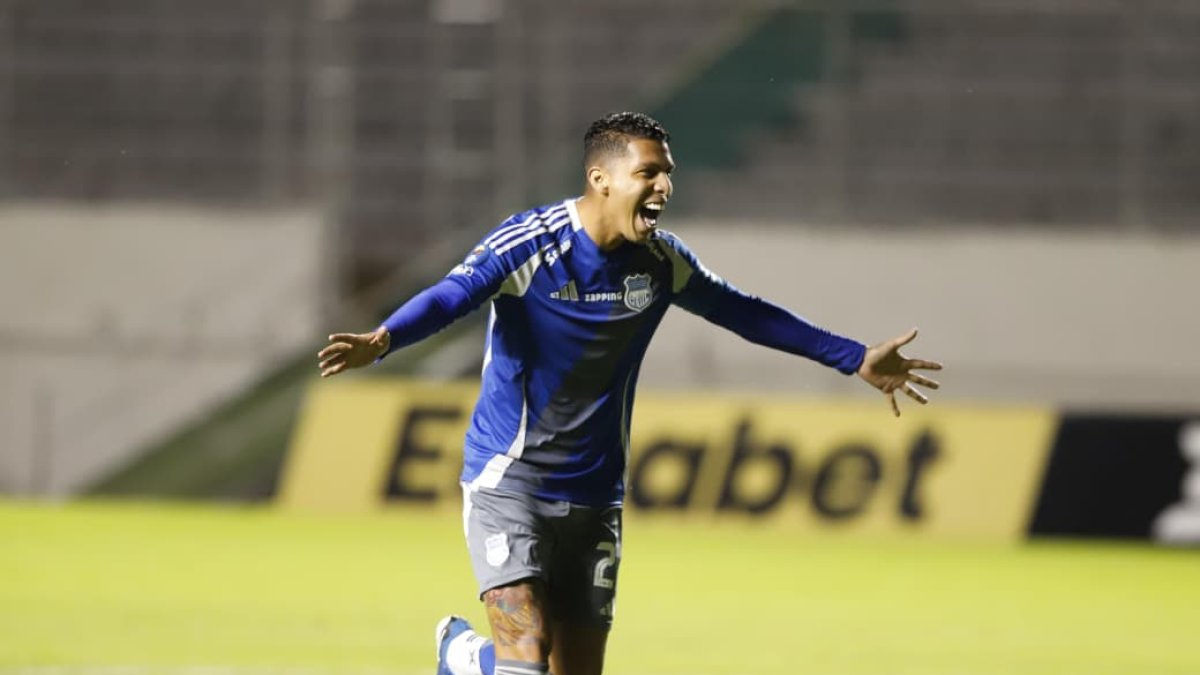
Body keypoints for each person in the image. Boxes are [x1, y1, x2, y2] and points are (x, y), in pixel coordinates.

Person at [316, 112, 942, 675]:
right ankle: (475, 657)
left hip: (594, 493)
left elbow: (745, 313)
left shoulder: (662, 264)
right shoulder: (532, 242)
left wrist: (854, 357)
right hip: (510, 482)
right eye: (650, 172)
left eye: (668, 174)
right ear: (602, 178)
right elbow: (453, 294)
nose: (664, 187)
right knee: (525, 658)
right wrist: (386, 338)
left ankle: (465, 656)